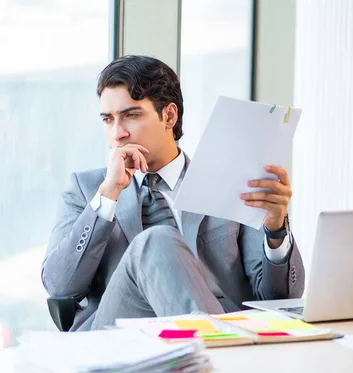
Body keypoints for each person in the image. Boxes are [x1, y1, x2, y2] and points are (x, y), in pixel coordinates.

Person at [41, 55, 304, 331]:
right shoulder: (88, 189)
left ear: (169, 115)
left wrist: (275, 229)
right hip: (121, 332)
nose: (117, 133)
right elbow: (60, 286)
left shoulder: (228, 182)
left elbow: (280, 298)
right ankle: (217, 348)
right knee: (156, 240)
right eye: (108, 120)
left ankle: (212, 344)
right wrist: (108, 195)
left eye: (131, 115)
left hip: (222, 323)